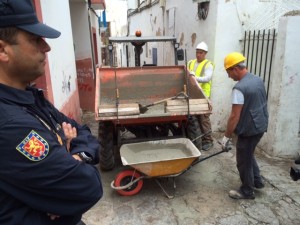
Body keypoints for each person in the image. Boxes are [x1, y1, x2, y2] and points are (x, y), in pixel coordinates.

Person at [0, 1, 103, 224]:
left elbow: (85, 133)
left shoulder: (31, 98)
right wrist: (70, 156)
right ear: (2, 50)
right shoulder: (11, 124)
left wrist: (74, 156)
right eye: (34, 39)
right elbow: (88, 187)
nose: (46, 47)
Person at [221, 52, 269, 200]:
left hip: (249, 129)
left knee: (243, 160)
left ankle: (247, 191)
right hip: (261, 124)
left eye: (228, 72)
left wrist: (226, 137)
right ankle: (257, 181)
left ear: (235, 69)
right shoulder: (257, 79)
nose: (229, 76)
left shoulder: (239, 88)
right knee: (249, 154)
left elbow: (234, 116)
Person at [188, 41, 214, 151]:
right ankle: (199, 138)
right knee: (195, 119)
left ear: (205, 53)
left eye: (201, 53)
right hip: (192, 95)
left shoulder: (208, 65)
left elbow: (207, 78)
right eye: (197, 52)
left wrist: (194, 77)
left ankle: (208, 140)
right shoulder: (190, 63)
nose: (198, 55)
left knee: (204, 119)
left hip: (204, 96)